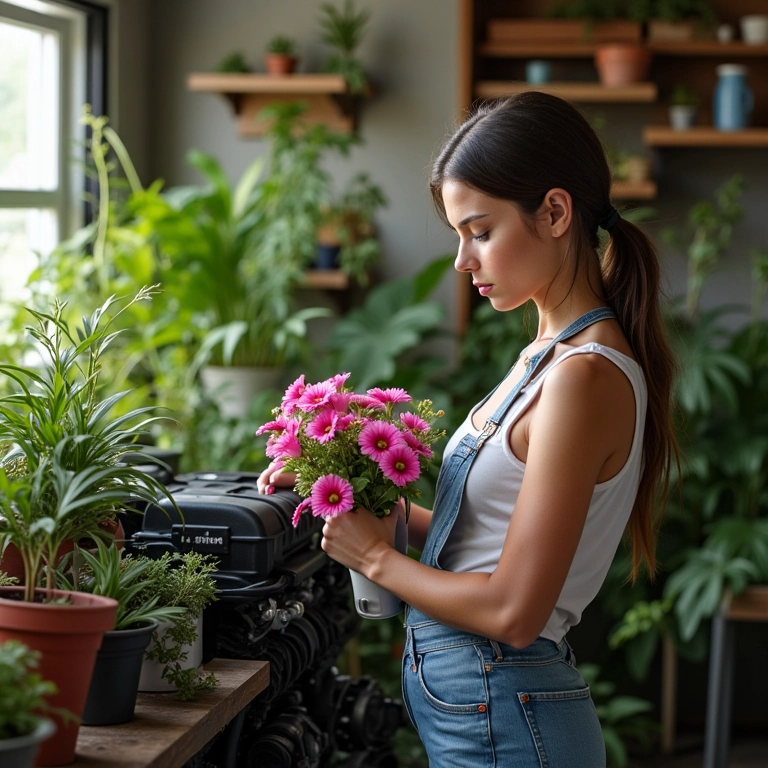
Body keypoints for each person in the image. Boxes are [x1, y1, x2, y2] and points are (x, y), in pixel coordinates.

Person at [258, 92, 678, 767]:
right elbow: (484, 536)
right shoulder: (547, 358)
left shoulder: (583, 377)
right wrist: (344, 494)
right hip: (496, 711)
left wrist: (376, 559)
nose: (463, 259)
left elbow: (514, 609)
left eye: (479, 231)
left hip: (509, 715)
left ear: (555, 212)